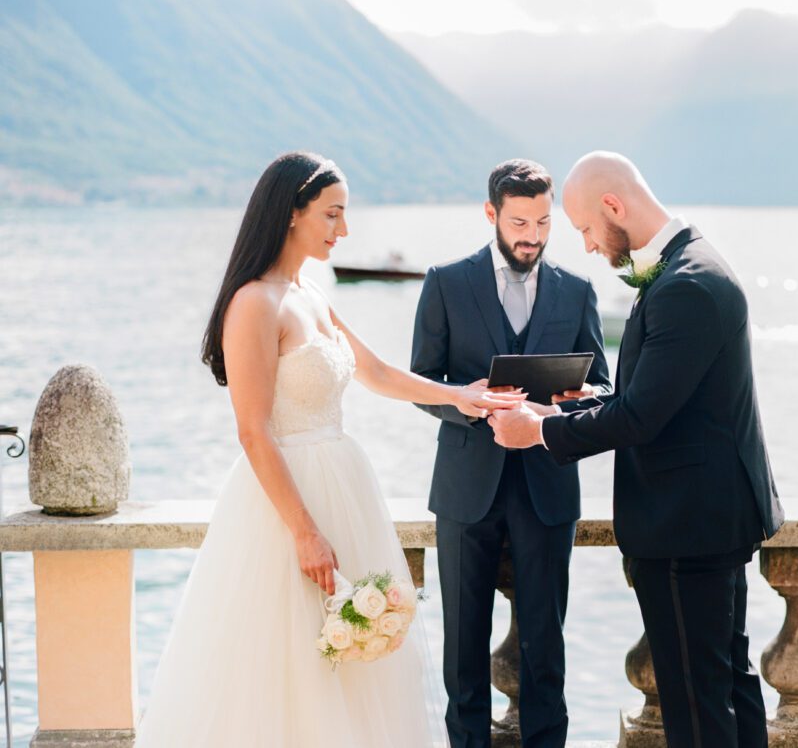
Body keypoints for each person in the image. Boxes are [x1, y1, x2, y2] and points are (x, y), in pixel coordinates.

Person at [134, 152, 522, 747]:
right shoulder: (254, 304)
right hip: (285, 508)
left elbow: (377, 372)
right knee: (284, 669)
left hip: (344, 488)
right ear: (291, 213)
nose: (344, 231)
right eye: (332, 214)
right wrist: (305, 532)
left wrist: (462, 397)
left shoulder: (310, 293)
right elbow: (253, 431)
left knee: (352, 670)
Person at [490, 151, 785, 748]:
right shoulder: (689, 266)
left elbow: (642, 416)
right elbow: (654, 400)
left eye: (585, 229)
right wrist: (559, 409)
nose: (590, 247)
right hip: (709, 518)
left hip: (688, 527)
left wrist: (539, 431)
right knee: (727, 683)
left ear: (614, 207)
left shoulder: (687, 287)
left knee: (697, 703)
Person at [410, 159, 612, 748]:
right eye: (520, 221)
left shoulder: (577, 292)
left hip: (547, 488)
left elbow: (603, 387)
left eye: (544, 222)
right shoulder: (445, 282)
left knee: (545, 646)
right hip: (466, 489)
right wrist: (467, 403)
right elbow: (423, 382)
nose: (533, 235)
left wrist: (577, 399)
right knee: (463, 648)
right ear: (491, 213)